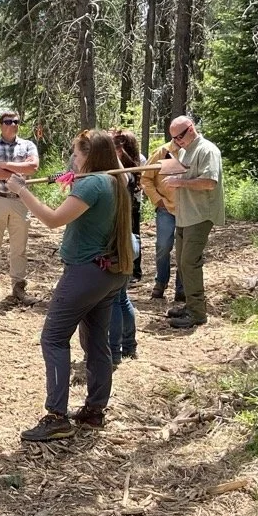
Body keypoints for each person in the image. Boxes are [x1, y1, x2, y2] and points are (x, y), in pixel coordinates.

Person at [7, 130, 134, 442]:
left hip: (86, 273)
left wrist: (22, 191)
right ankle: (94, 411)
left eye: (76, 155)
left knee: (53, 338)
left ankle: (56, 416)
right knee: (96, 343)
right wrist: (73, 180)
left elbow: (52, 219)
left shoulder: (93, 183)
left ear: (90, 156)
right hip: (107, 273)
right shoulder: (114, 180)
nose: (72, 160)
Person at [162, 116, 223, 329]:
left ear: (191, 129)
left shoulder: (207, 150)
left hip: (200, 215)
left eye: (179, 136)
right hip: (185, 215)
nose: (177, 141)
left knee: (189, 262)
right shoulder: (186, 150)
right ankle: (190, 305)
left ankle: (197, 314)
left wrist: (179, 182)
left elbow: (209, 182)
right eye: (174, 138)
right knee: (181, 261)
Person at [0, 111, 40, 306]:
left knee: (19, 247)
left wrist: (4, 165)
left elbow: (33, 167)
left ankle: (18, 288)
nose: (12, 124)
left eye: (15, 121)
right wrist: (19, 168)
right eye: (7, 121)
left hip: (20, 200)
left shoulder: (28, 145)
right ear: (0, 124)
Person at [108, 130, 143, 365]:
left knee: (114, 299)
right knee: (121, 297)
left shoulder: (120, 176)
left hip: (119, 241)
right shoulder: (124, 173)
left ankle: (116, 352)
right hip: (127, 239)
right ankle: (129, 346)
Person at [141, 139, 184, 302]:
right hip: (166, 208)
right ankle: (161, 282)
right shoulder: (162, 152)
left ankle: (181, 288)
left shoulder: (195, 151)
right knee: (163, 246)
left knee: (184, 250)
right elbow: (145, 178)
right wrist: (158, 200)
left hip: (188, 210)